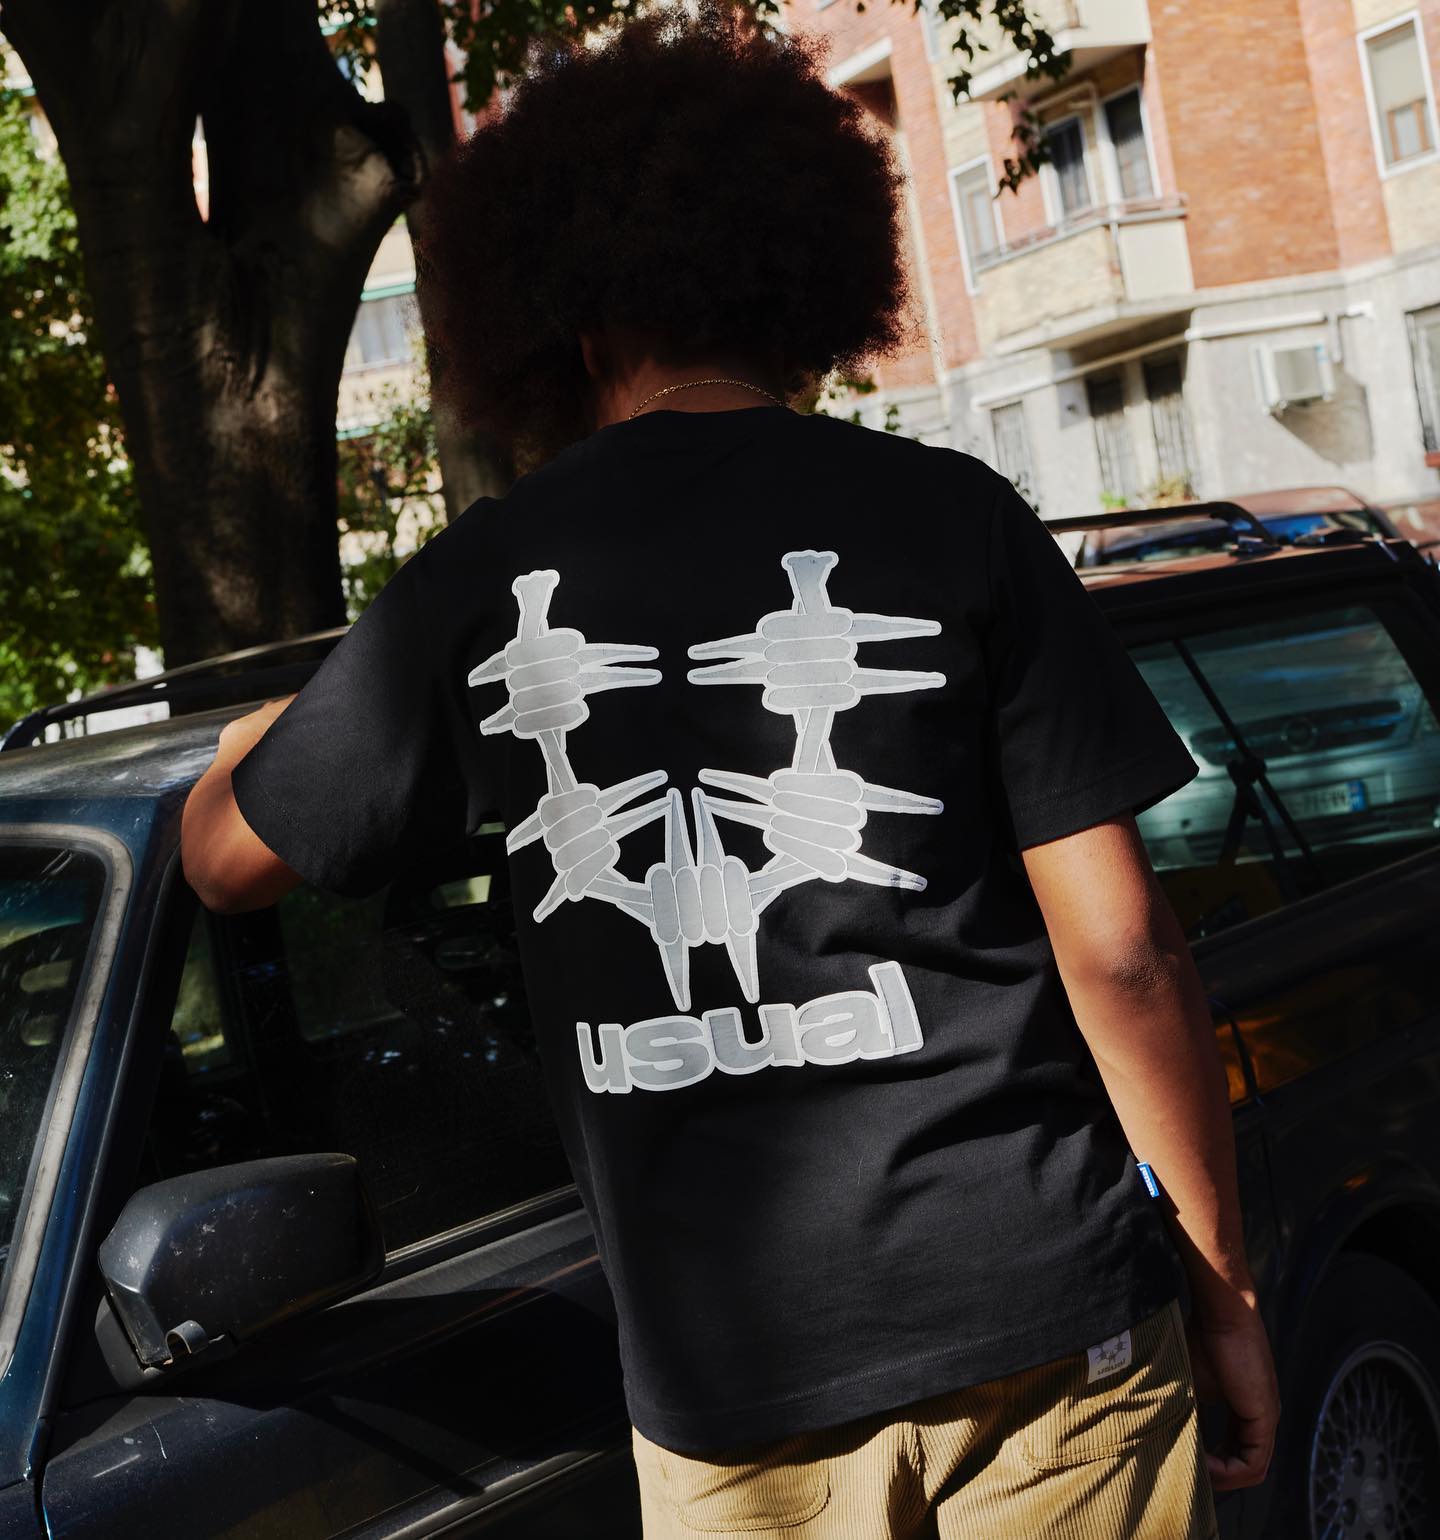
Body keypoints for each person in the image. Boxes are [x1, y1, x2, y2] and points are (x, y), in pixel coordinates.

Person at [180, 2, 1280, 1534]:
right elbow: (1126, 955)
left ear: (565, 324)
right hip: (1047, 1319)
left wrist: (277, 724)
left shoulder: (485, 585)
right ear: (799, 295)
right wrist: (1224, 1287)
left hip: (739, 1393)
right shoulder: (955, 518)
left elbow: (223, 857)